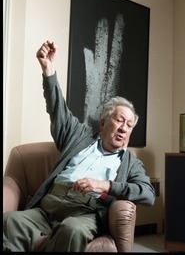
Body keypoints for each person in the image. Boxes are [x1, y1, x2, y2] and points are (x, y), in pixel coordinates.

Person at [3, 40, 155, 252]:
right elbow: (58, 109)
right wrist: (48, 71)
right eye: (120, 120)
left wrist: (106, 186)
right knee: (9, 221)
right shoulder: (79, 136)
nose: (124, 128)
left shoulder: (131, 163)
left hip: (85, 212)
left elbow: (147, 194)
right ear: (103, 123)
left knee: (71, 230)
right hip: (48, 206)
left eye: (129, 125)